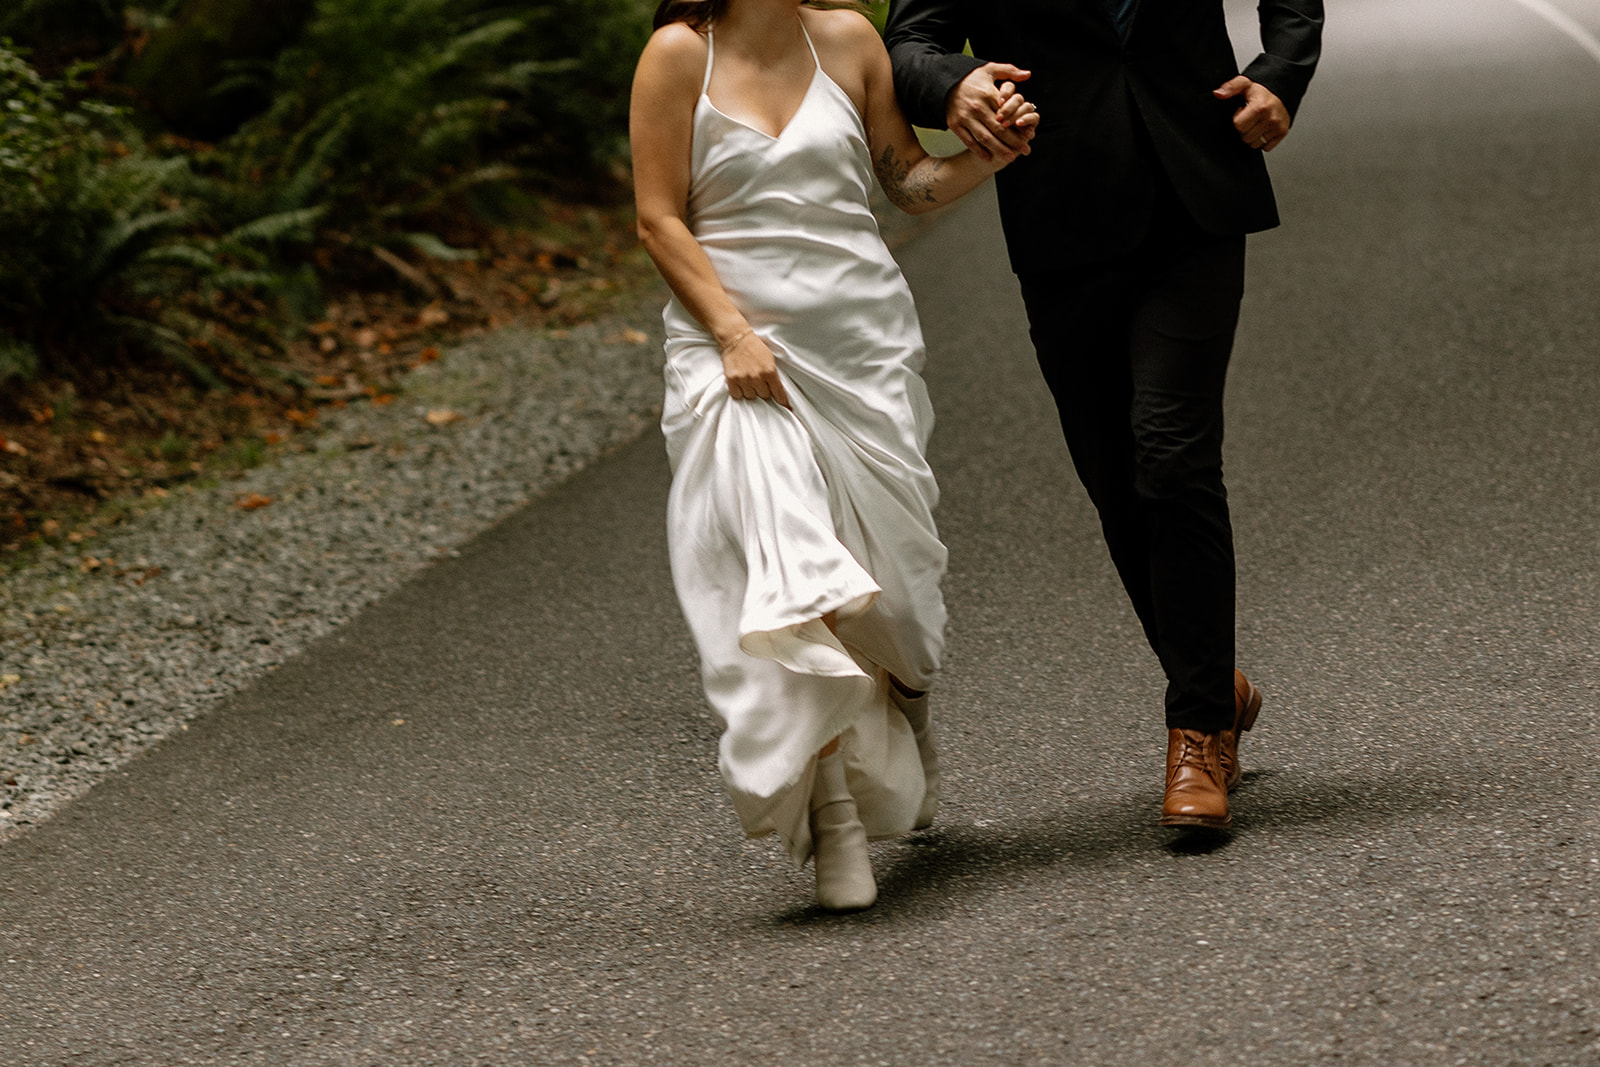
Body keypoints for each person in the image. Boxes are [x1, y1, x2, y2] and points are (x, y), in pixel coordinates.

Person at [630, 0, 1037, 910]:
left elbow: (909, 183)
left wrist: (990, 155)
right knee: (790, 575)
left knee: (895, 602)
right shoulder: (674, 57)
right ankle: (836, 825)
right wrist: (733, 333)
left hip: (860, 344)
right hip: (732, 351)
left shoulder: (851, 41)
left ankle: (911, 691)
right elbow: (659, 219)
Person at [885, 0, 1323, 830]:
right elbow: (909, 40)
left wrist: (1281, 74)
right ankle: (1212, 677)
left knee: (1172, 450)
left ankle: (1198, 732)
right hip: (1061, 204)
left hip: (1196, 182)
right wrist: (955, 86)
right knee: (1114, 474)